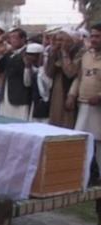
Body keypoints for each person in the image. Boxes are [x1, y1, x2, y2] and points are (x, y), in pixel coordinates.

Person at [67, 23, 101, 180]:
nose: (94, 39)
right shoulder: (86, 55)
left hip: (98, 107)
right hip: (84, 105)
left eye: (97, 36)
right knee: (82, 140)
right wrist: (71, 95)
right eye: (92, 36)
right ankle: (81, 179)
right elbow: (78, 78)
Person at [47, 30, 81, 128]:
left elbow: (70, 72)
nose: (59, 43)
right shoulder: (57, 53)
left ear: (71, 41)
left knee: (67, 122)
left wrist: (64, 53)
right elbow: (49, 73)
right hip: (57, 91)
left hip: (71, 91)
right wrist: (52, 54)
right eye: (57, 40)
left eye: (62, 40)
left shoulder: (79, 53)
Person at [0, 28, 31, 120]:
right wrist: (1, 55)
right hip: (6, 93)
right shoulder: (9, 53)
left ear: (23, 39)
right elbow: (1, 69)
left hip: (19, 95)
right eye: (10, 38)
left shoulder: (28, 53)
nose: (11, 40)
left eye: (14, 37)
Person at [24, 43, 52, 123]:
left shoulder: (46, 67)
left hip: (45, 104)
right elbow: (27, 83)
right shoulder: (31, 67)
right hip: (35, 103)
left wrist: (41, 68)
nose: (28, 58)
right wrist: (27, 68)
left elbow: (48, 86)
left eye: (31, 55)